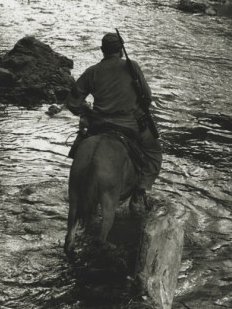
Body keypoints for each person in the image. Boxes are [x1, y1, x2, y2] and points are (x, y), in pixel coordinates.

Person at [66, 33, 162, 212]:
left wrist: (87, 112)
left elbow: (72, 102)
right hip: (129, 124)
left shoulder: (91, 72)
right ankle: (140, 193)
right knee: (154, 152)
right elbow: (147, 97)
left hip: (98, 124)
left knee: (80, 146)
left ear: (102, 50)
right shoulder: (132, 67)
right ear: (121, 50)